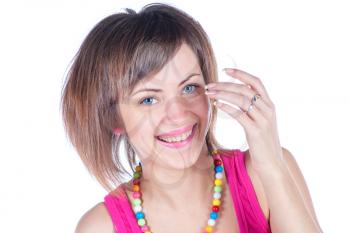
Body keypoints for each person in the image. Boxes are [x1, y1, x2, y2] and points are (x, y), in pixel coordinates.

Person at [61, 3, 323, 233]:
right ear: (112, 119)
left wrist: (273, 168)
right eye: (148, 99)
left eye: (189, 87)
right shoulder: (102, 227)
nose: (178, 114)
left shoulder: (267, 174)